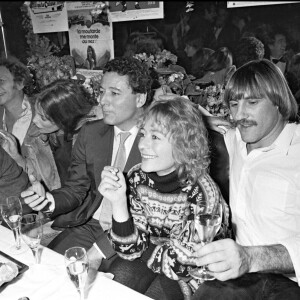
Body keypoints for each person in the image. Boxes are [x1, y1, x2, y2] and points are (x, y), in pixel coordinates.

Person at [21, 57, 153, 269]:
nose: (103, 101)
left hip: (137, 235)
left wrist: (100, 249)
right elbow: (76, 188)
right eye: (102, 92)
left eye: (114, 93)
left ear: (140, 99)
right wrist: (49, 200)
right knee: (47, 269)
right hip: (90, 224)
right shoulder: (91, 133)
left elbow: (151, 215)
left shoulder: (158, 140)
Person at [99, 97, 231, 299]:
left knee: (156, 293)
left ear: (183, 145)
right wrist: (118, 203)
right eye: (143, 134)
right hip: (153, 261)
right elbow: (128, 250)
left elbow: (186, 264)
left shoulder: (203, 192)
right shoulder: (136, 177)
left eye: (155, 137)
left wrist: (145, 247)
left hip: (194, 278)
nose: (142, 145)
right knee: (115, 285)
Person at [192, 59, 300, 299]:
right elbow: (186, 115)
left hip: (291, 282)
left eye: (252, 102)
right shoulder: (236, 140)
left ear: (279, 102)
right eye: (233, 103)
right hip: (243, 280)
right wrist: (205, 119)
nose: (239, 115)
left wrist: (251, 258)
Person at [0, 56, 60, 191]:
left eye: (1, 81)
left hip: (39, 197)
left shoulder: (44, 116)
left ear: (20, 83)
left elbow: (52, 175)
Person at [32, 79, 100, 185]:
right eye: (35, 113)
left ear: (63, 117)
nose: (34, 120)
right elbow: (38, 173)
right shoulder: (45, 135)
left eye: (43, 118)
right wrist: (16, 156)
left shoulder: (90, 139)